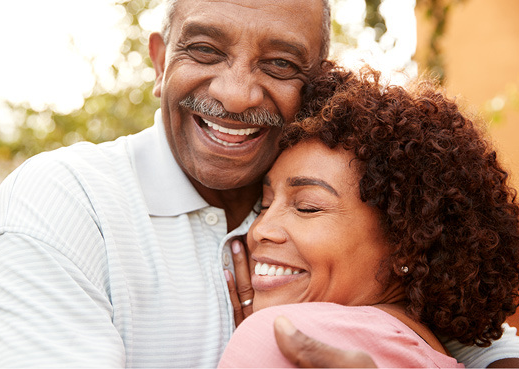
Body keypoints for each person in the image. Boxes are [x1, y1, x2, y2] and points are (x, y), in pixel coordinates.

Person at [0, 0, 519, 367]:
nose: (235, 94)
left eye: (280, 64)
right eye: (205, 50)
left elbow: (472, 341)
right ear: (160, 59)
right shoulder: (66, 199)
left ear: (317, 80)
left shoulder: (361, 192)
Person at [219, 63, 519, 368]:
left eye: (307, 207)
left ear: (408, 245)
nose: (259, 229)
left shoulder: (281, 339)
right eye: (265, 204)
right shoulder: (435, 354)